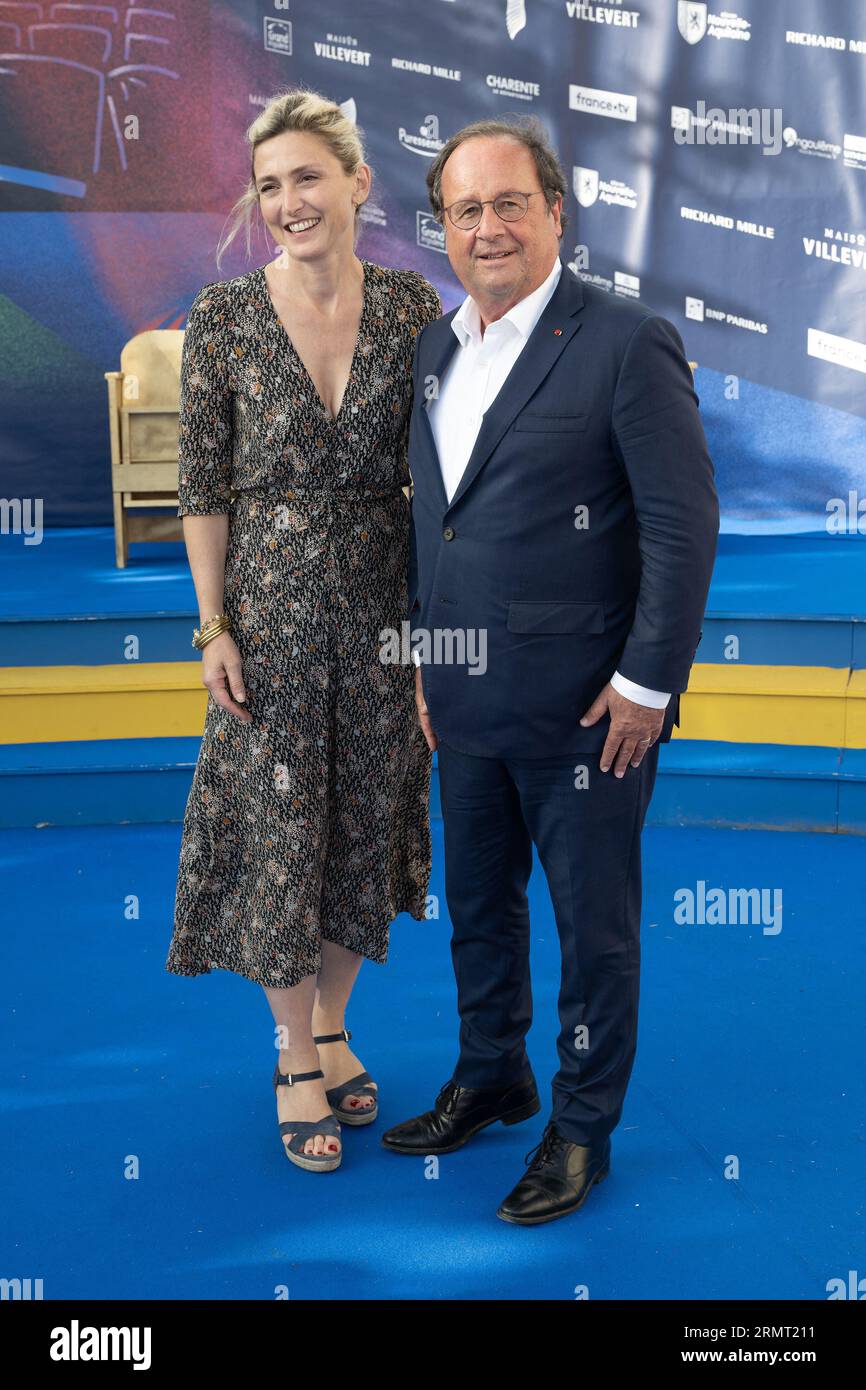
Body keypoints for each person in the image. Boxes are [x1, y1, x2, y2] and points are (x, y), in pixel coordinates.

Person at [381, 116, 720, 1224]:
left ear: (556, 211)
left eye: (507, 202)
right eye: (464, 209)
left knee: (593, 931)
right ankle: (493, 1074)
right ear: (442, 228)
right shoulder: (436, 348)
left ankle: (581, 1127)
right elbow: (438, 523)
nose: (486, 227)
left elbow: (680, 526)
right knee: (478, 908)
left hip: (589, 712)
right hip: (465, 697)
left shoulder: (625, 340)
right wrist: (430, 662)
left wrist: (644, 684)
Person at [165, 88, 441, 1173]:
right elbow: (202, 485)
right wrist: (211, 624)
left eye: (308, 178)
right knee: (281, 842)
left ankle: (332, 1022)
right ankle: (290, 1051)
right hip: (268, 618)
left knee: (360, 828)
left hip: (383, 615)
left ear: (357, 183)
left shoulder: (415, 307)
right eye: (269, 185)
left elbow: (443, 474)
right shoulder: (223, 316)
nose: (288, 201)